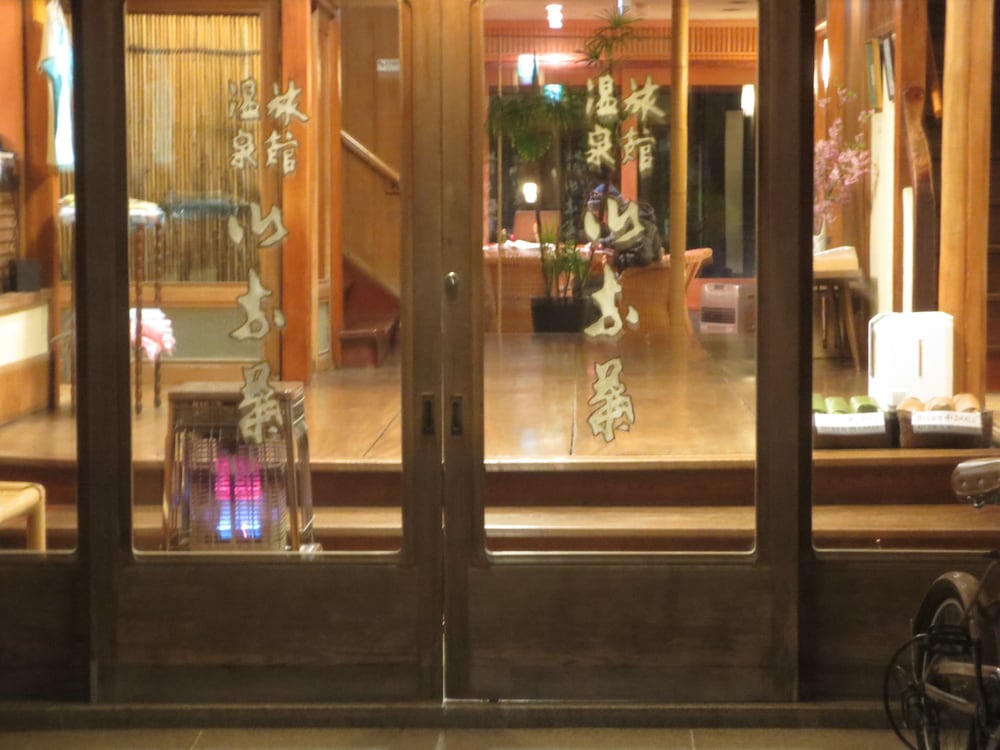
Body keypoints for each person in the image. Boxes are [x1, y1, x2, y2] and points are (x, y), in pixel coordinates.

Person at [583, 184, 663, 273]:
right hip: (633, 278)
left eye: (601, 216)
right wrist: (601, 243)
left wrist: (616, 259)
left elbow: (643, 257)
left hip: (647, 279)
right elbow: (614, 239)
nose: (601, 221)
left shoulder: (638, 222)